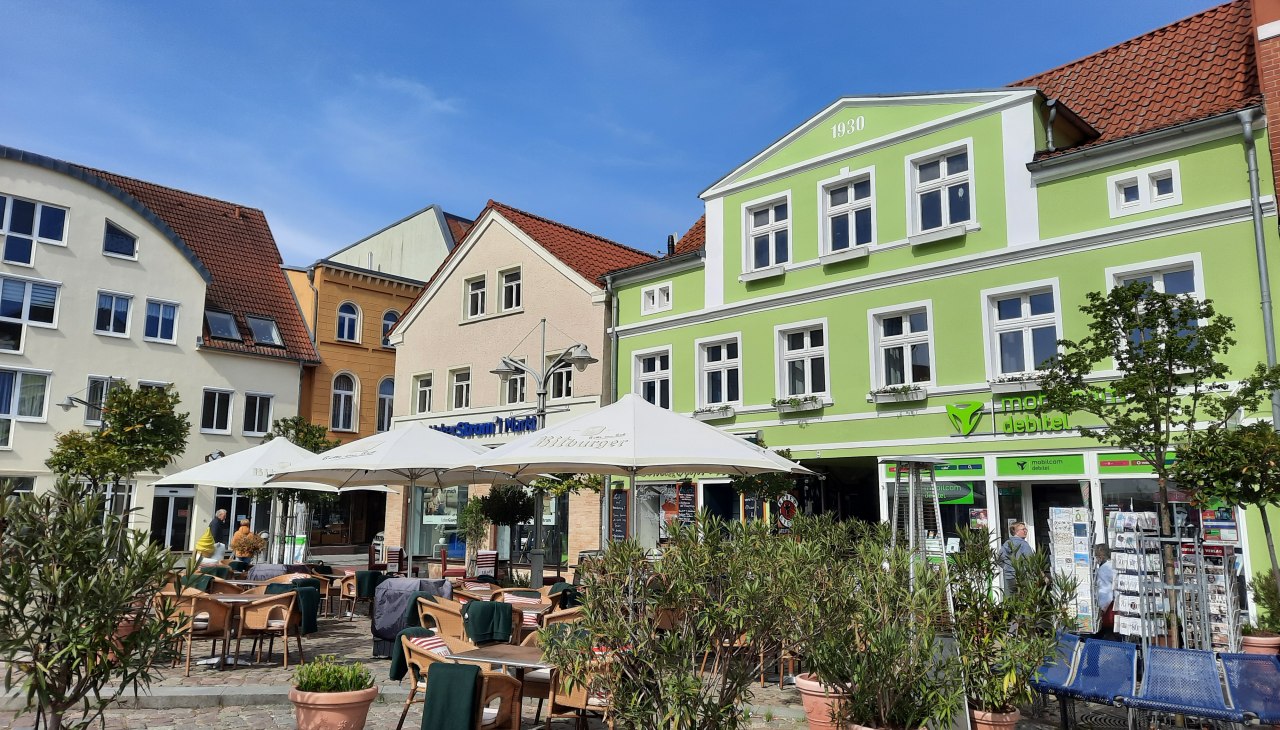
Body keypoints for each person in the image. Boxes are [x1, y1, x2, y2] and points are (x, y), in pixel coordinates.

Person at [1000, 521, 1034, 589]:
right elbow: (1030, 561)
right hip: (1023, 577)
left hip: (1010, 578)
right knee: (1025, 597)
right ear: (1016, 531)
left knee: (1014, 597)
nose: (1026, 531)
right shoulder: (1024, 544)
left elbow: (999, 559)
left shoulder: (1007, 543)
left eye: (1025, 529)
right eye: (1023, 529)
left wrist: (1008, 568)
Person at [1094, 543, 1116, 638]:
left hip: (1108, 610)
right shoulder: (1113, 566)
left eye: (1096, 556)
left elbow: (1106, 593)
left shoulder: (1103, 570)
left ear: (1101, 556)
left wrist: (1101, 610)